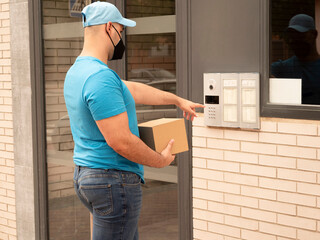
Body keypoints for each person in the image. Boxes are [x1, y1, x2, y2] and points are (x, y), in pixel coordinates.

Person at [63, 2, 204, 240]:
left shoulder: (78, 72)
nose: (121, 38)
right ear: (109, 28)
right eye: (120, 30)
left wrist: (176, 99)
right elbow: (121, 142)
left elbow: (134, 91)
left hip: (88, 176)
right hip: (112, 180)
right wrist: (160, 161)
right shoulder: (100, 77)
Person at [271, 14, 320, 104]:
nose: (295, 40)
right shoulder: (282, 68)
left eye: (300, 35)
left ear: (314, 34)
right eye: (292, 36)